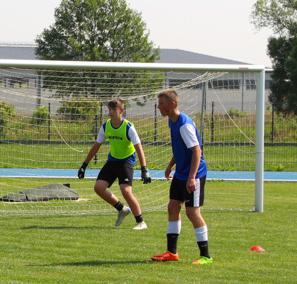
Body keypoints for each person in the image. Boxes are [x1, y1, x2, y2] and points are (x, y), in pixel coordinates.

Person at [151, 89, 213, 264]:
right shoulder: (173, 121)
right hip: (181, 173)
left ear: (172, 105)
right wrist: (171, 164)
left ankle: (206, 256)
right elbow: (181, 147)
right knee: (172, 206)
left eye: (161, 104)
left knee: (192, 212)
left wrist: (192, 177)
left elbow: (196, 151)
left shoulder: (184, 124)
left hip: (194, 174)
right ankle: (172, 252)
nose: (158, 107)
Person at [77, 97, 151, 230]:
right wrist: (84, 165)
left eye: (114, 109)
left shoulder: (128, 127)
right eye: (109, 109)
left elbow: (139, 148)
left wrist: (144, 169)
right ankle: (122, 209)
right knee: (98, 188)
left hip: (126, 161)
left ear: (121, 110)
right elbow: (96, 146)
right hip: (112, 160)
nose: (111, 112)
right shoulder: (106, 126)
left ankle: (141, 222)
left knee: (126, 191)